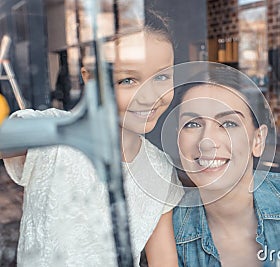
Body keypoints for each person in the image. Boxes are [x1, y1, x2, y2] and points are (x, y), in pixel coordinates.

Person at [2, 9, 183, 267]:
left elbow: (164, 259)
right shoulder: (53, 133)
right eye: (128, 80)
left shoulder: (161, 169)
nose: (149, 95)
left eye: (162, 77)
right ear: (90, 78)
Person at [170, 64, 280, 266]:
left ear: (258, 140)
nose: (207, 141)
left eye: (229, 123)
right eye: (192, 124)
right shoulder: (166, 233)